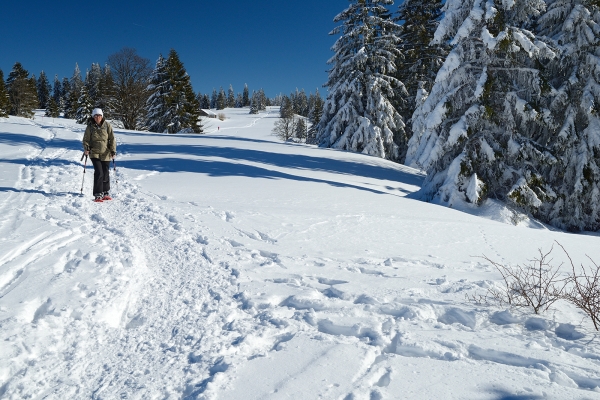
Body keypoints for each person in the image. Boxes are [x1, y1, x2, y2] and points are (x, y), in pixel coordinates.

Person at [82, 108, 116, 202]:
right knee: (99, 172)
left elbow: (112, 139)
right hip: (94, 153)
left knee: (105, 172)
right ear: (93, 117)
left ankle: (105, 192)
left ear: (102, 116)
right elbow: (86, 140)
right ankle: (98, 193)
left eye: (99, 115)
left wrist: (113, 151)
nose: (98, 117)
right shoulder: (90, 127)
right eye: (96, 115)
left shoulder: (107, 125)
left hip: (106, 153)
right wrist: (86, 148)